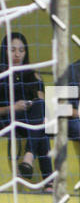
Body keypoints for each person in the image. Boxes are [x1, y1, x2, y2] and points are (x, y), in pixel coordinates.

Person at [0, 32, 52, 186]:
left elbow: (43, 102)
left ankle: (29, 157)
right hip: (5, 120)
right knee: (42, 130)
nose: (17, 54)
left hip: (27, 122)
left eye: (21, 50)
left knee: (41, 108)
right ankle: (49, 181)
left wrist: (39, 98)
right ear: (4, 51)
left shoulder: (31, 74)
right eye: (12, 50)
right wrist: (13, 107)